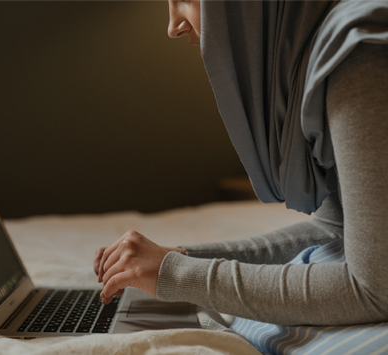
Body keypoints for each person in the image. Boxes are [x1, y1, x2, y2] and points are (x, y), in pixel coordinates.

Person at [93, 0, 388, 326]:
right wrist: (176, 258)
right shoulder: (324, 53)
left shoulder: (362, 54)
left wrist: (175, 274)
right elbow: (334, 231)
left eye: (186, 1)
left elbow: (373, 290)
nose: (173, 26)